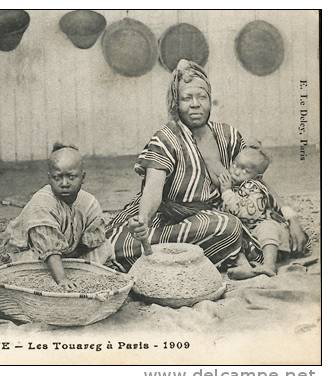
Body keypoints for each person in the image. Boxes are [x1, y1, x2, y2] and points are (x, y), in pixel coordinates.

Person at [106, 59, 308, 273]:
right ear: (176, 103)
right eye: (187, 98)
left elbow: (257, 181)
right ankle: (192, 251)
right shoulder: (166, 139)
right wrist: (143, 221)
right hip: (171, 220)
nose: (195, 104)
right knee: (226, 227)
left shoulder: (227, 135)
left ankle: (189, 253)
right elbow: (152, 191)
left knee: (270, 232)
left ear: (210, 100)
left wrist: (291, 217)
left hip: (221, 215)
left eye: (202, 97)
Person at [4, 143, 113, 290]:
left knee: (105, 247)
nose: (64, 183)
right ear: (49, 178)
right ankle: (60, 275)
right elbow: (49, 249)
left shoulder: (89, 203)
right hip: (35, 254)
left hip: (68, 254)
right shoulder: (42, 202)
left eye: (71, 177)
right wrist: (62, 280)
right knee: (28, 268)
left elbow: (92, 240)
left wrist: (80, 253)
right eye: (58, 177)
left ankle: (78, 272)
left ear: (83, 177)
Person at [219, 146, 301, 278]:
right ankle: (244, 267)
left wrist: (226, 193)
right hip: (249, 239)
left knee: (267, 228)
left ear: (257, 177)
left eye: (245, 170)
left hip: (264, 236)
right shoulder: (234, 184)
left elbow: (244, 212)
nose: (236, 172)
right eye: (235, 165)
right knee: (231, 238)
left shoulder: (254, 188)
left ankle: (269, 265)